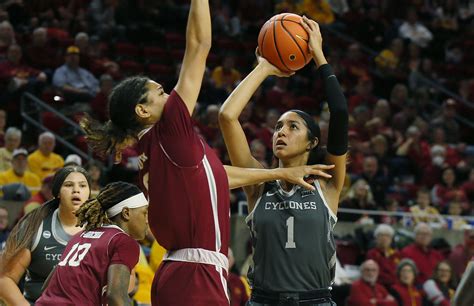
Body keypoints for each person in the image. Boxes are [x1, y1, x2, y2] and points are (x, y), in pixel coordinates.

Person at [80, 2, 331, 305]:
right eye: (160, 93)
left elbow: (214, 178)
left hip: (182, 272)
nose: (169, 95)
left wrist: (279, 172)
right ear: (142, 110)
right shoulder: (170, 130)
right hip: (195, 275)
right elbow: (199, 45)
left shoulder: (159, 152)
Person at [218, 17, 348, 305]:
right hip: (264, 300)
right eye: (277, 126)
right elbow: (227, 117)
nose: (281, 132)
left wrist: (319, 56)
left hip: (315, 301)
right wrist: (263, 67)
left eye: (292, 127)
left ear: (312, 142)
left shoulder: (326, 181)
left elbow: (339, 112)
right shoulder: (258, 184)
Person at [37, 182, 148, 305]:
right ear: (126, 213)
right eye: (144, 213)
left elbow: (46, 287)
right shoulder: (123, 241)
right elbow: (116, 297)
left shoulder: (79, 236)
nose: (147, 220)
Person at [0, 166, 90, 305]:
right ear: (57, 192)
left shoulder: (104, 229)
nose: (76, 190)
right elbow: (5, 279)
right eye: (68, 185)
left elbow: (126, 281)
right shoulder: (35, 226)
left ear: (89, 193)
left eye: (83, 186)